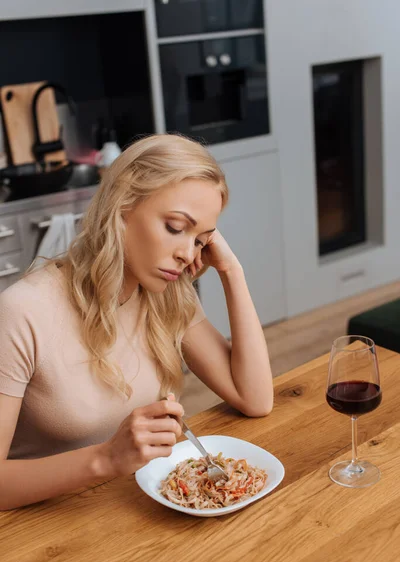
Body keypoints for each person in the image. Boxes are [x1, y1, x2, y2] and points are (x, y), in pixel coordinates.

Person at [0, 134, 273, 510]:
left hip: (128, 509)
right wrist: (106, 459)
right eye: (176, 227)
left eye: (201, 240)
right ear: (122, 205)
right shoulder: (21, 312)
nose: (185, 253)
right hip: (38, 528)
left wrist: (231, 270)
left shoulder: (166, 294)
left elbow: (255, 399)